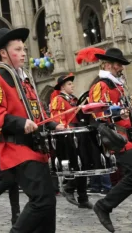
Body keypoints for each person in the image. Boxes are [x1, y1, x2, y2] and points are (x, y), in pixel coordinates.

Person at [0, 27, 61, 232]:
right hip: (16, 148)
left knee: (48, 204)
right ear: (4, 53)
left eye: (24, 49)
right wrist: (20, 123)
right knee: (41, 200)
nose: (23, 53)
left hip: (34, 148)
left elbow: (36, 112)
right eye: (18, 49)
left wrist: (55, 124)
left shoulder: (24, 78)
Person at [81, 47, 132, 233]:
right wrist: (118, 114)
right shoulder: (101, 85)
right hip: (119, 138)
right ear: (107, 65)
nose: (120, 68)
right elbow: (100, 114)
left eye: (121, 65)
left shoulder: (117, 85)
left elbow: (121, 111)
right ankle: (104, 205)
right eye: (117, 64)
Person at [49, 74, 93, 208]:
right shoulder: (58, 99)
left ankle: (82, 197)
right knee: (78, 165)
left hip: (78, 133)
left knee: (83, 165)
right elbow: (57, 118)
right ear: (62, 87)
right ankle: (70, 188)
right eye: (69, 84)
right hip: (68, 136)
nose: (72, 86)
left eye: (72, 84)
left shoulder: (73, 99)